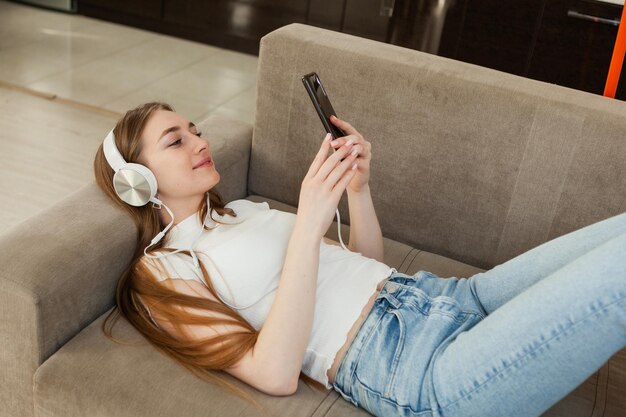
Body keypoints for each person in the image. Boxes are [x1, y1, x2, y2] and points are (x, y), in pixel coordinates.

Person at [93, 102, 626, 417]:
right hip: (420, 373)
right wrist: (306, 226)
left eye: (194, 130)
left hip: (447, 298)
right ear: (137, 181)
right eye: (175, 141)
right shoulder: (162, 269)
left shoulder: (239, 213)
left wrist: (358, 191)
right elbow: (274, 373)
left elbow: (371, 269)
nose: (199, 142)